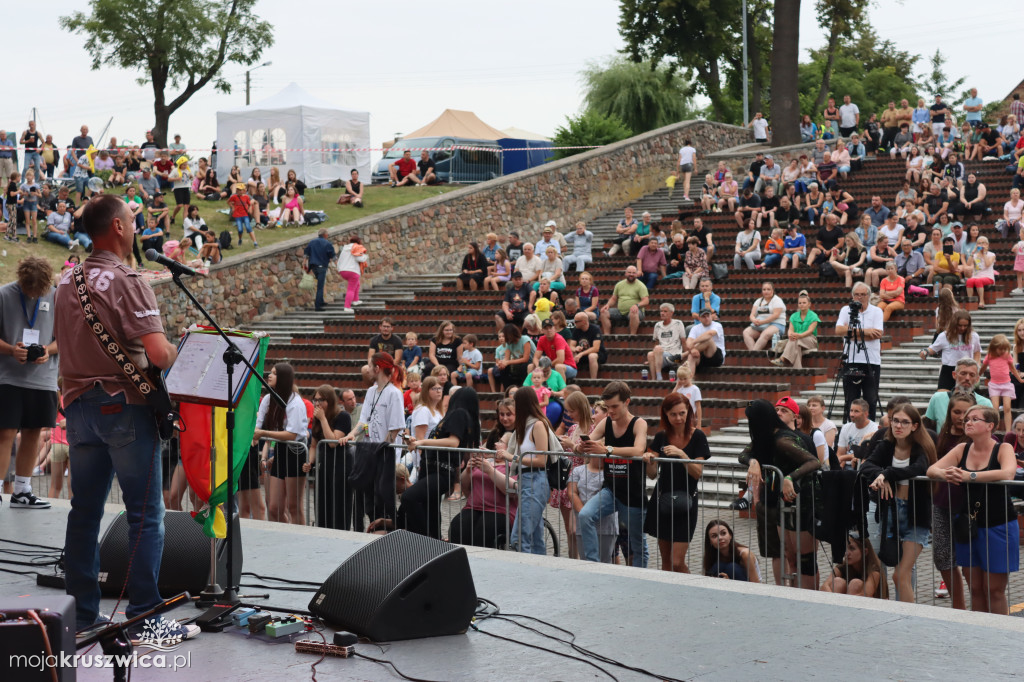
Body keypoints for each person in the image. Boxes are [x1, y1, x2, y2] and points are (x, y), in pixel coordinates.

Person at [54, 195, 195, 641]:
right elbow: (156, 353)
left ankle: (81, 617)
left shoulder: (66, 281)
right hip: (124, 405)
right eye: (133, 221)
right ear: (117, 226)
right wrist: (177, 347)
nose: (137, 228)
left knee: (84, 512)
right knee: (145, 515)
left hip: (77, 407)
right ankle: (146, 618)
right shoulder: (126, 278)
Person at [927, 406, 1020, 614]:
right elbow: (932, 469)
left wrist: (971, 476)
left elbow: (1008, 473)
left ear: (990, 426)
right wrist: (946, 474)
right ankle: (978, 635)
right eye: (967, 419)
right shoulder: (962, 449)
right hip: (968, 525)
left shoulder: (1002, 448)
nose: (967, 422)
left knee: (994, 589)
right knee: (976, 589)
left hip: (999, 524)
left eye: (975, 419)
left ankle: (999, 633)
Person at [740, 399, 821, 589]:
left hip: (805, 502)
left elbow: (814, 462)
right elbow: (742, 455)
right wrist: (754, 462)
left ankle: (811, 599)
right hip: (784, 503)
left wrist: (789, 478)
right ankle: (794, 597)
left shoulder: (783, 440)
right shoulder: (766, 438)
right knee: (790, 556)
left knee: (805, 559)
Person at [860, 404, 935, 603]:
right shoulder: (886, 446)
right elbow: (867, 465)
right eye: (895, 420)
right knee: (894, 569)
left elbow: (917, 469)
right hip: (891, 513)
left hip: (915, 513)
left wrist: (887, 474)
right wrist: (878, 474)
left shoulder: (921, 448)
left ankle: (909, 620)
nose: (898, 426)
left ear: (915, 426)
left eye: (904, 422)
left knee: (900, 574)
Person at [0, 257, 59, 510]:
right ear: (21, 280)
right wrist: (11, 350)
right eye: (29, 290)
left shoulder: (57, 297)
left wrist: (48, 350)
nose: (34, 294)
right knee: (5, 433)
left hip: (43, 379)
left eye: (39, 291)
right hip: (8, 377)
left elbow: (67, 339)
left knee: (33, 433)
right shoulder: (3, 295)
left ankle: (23, 491)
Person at [578, 381, 649, 567]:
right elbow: (590, 441)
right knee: (585, 515)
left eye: (615, 406)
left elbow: (639, 450)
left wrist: (607, 449)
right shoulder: (606, 421)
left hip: (632, 494)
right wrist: (582, 446)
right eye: (607, 407)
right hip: (611, 489)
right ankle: (593, 564)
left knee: (638, 543)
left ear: (627, 402)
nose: (610, 411)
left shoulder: (638, 423)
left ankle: (641, 578)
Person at [401, 386, 479, 538]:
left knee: (409, 498)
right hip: (434, 468)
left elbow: (453, 442)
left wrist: (421, 442)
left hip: (440, 470)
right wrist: (419, 442)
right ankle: (432, 539)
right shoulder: (459, 416)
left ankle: (423, 537)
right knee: (430, 508)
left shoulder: (459, 414)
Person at [643, 393, 709, 573]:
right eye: (673, 414)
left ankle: (692, 590)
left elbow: (697, 473)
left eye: (682, 413)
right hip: (663, 499)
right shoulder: (661, 437)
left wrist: (682, 455)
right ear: (665, 414)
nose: (678, 418)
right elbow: (651, 475)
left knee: (677, 561)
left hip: (686, 501)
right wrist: (649, 460)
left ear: (689, 412)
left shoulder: (698, 437)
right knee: (665, 561)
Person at [930, 390, 975, 608]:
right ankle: (958, 606)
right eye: (956, 412)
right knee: (941, 556)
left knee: (968, 560)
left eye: (966, 413)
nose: (961, 417)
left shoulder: (978, 439)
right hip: (941, 502)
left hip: (968, 507)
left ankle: (978, 605)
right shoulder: (944, 435)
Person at [251, 363, 309, 526]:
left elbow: (292, 434)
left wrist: (263, 434)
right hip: (281, 450)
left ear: (283, 378)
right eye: (271, 372)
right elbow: (258, 422)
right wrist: (254, 434)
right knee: (274, 507)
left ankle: (299, 539)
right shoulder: (269, 398)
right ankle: (284, 535)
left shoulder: (295, 402)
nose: (269, 375)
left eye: (275, 374)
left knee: (293, 507)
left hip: (296, 452)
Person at [503, 388, 553, 554]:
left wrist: (512, 458)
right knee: (535, 536)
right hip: (527, 480)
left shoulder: (538, 425)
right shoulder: (525, 426)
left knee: (520, 535)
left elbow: (541, 460)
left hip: (535, 480)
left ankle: (525, 572)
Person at [836, 283, 884, 421]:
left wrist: (850, 332)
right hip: (850, 359)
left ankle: (871, 428)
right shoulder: (846, 310)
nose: (860, 297)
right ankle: (849, 427)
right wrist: (866, 332)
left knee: (871, 399)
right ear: (852, 296)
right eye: (857, 294)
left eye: (863, 294)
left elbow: (878, 334)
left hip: (871, 360)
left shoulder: (877, 311)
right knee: (850, 399)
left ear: (868, 296)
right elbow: (839, 330)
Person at [924, 358, 993, 431]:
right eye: (963, 373)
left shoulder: (985, 404)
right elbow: (928, 428)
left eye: (972, 375)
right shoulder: (938, 398)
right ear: (954, 375)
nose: (967, 378)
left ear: (977, 379)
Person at [921, 311, 981, 390]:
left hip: (966, 370)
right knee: (943, 396)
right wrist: (925, 352)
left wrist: (977, 367)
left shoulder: (974, 336)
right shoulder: (944, 336)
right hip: (948, 369)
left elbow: (977, 352)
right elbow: (932, 349)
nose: (962, 328)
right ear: (954, 324)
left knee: (967, 398)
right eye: (959, 325)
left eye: (965, 326)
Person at [820, 533, 885, 598]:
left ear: (865, 552)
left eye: (852, 548)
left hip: (873, 605)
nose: (846, 553)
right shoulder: (842, 567)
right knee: (837, 582)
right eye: (845, 548)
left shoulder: (874, 570)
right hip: (848, 602)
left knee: (855, 583)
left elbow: (867, 594)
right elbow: (824, 586)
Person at [981, 334, 1024, 433]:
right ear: (994, 347)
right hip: (994, 385)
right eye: (1000, 349)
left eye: (1005, 349)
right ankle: (995, 428)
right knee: (995, 407)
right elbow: (983, 367)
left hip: (1006, 384)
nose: (1002, 351)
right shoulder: (990, 356)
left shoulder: (1007, 355)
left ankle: (1009, 430)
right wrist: (978, 375)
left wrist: (1019, 379)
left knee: (1007, 407)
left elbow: (1013, 369)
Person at [772, 291, 819, 369]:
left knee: (795, 340)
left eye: (804, 303)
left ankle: (782, 359)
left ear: (809, 304)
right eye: (800, 303)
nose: (801, 304)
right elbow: (790, 329)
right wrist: (790, 335)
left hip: (810, 340)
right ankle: (798, 370)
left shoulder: (813, 316)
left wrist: (799, 335)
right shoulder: (794, 316)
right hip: (796, 340)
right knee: (796, 345)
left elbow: (810, 331)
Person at [599, 266, 649, 336]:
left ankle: (632, 335)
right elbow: (613, 298)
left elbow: (646, 301)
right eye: (629, 272)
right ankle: (606, 335)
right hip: (620, 311)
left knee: (633, 312)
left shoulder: (641, 285)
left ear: (637, 274)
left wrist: (636, 305)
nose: (631, 274)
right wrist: (608, 305)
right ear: (625, 273)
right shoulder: (619, 285)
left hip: (636, 312)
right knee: (604, 312)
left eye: (633, 273)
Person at [647, 303, 687, 381]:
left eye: (665, 311)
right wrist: (652, 358)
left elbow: (683, 341)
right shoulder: (657, 325)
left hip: (676, 358)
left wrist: (685, 357)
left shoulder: (678, 323)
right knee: (650, 354)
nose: (662, 313)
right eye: (661, 311)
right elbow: (656, 342)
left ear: (671, 313)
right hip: (661, 356)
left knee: (658, 349)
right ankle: (653, 379)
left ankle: (659, 376)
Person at [742, 281, 785, 351]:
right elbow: (752, 314)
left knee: (765, 334)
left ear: (773, 290)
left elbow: (775, 315)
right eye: (764, 289)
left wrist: (762, 322)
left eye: (768, 289)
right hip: (761, 325)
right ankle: (753, 352)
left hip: (776, 324)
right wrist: (754, 320)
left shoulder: (777, 300)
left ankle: (753, 355)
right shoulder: (759, 301)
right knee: (746, 332)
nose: (766, 291)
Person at [303, 228, 336, 312]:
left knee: (320, 283)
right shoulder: (327, 243)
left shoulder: (312, 242)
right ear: (325, 235)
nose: (328, 236)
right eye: (327, 234)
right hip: (322, 266)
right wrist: (337, 264)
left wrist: (304, 263)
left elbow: (306, 253)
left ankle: (321, 301)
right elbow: (332, 255)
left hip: (313, 266)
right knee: (320, 286)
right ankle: (318, 306)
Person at [685, 308, 725, 375]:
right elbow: (689, 341)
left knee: (708, 339)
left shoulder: (717, 325)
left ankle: (683, 355)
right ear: (700, 318)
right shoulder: (695, 328)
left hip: (716, 356)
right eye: (704, 316)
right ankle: (689, 382)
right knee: (692, 355)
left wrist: (693, 343)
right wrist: (692, 350)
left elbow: (710, 334)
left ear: (711, 316)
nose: (706, 318)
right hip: (701, 355)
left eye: (708, 316)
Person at [569, 312, 605, 380]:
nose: (574, 323)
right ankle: (572, 377)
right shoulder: (576, 330)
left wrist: (581, 354)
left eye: (576, 321)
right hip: (582, 355)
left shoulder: (595, 329)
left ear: (583, 322)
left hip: (598, 355)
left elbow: (596, 348)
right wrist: (575, 349)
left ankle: (593, 380)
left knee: (592, 356)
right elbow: (571, 346)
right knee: (572, 353)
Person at [337, 236, 367, 313]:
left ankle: (356, 300)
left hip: (343, 270)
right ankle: (347, 307)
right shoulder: (356, 247)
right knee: (351, 289)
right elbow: (359, 258)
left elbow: (340, 259)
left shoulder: (345, 248)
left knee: (357, 284)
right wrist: (365, 256)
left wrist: (339, 269)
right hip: (352, 270)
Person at [964, 236, 995, 308]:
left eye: (983, 243)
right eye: (979, 243)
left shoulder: (991, 254)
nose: (981, 245)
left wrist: (984, 253)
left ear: (987, 244)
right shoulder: (975, 255)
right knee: (969, 281)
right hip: (976, 276)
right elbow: (968, 264)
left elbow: (987, 264)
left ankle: (981, 300)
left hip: (988, 276)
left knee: (978, 281)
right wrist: (973, 252)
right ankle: (970, 300)